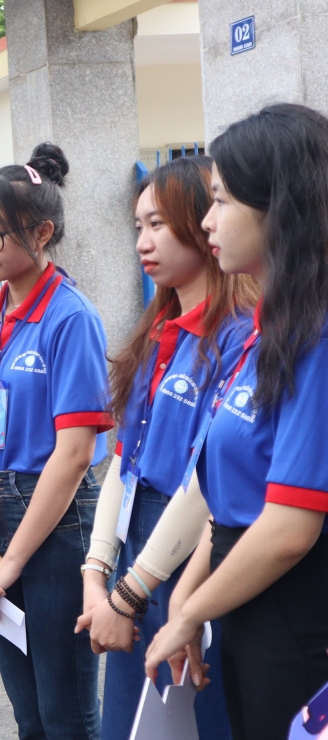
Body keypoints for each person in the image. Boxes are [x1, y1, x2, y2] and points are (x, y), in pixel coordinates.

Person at [144, 104, 328, 740]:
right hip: (244, 602)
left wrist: (188, 612)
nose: (205, 221)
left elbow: (286, 530)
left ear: (277, 204)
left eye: (220, 201)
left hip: (298, 618)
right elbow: (224, 505)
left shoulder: (318, 338)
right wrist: (184, 604)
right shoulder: (262, 333)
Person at [75, 156, 256, 740]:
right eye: (136, 227)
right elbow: (121, 467)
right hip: (138, 553)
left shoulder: (239, 335)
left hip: (195, 559)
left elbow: (209, 489)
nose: (143, 242)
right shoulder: (156, 333)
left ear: (204, 224)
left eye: (158, 224)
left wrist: (130, 592)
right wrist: (96, 574)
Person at [0, 143, 112, 740]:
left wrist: (12, 559)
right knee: (28, 718)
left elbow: (73, 455)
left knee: (66, 717)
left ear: (42, 232)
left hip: (53, 523)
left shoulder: (70, 319)